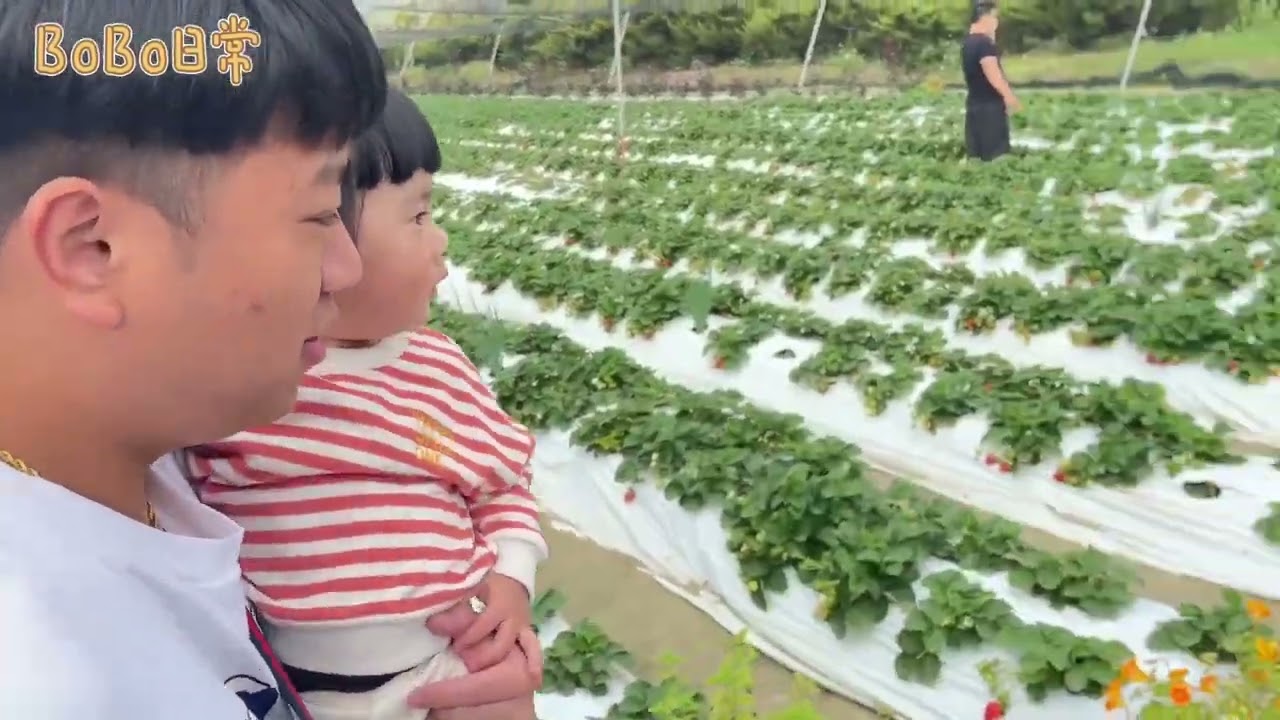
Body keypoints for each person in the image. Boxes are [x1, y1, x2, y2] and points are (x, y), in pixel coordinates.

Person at [0, 2, 532, 718]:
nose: (345, 270)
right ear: (92, 248)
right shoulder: (48, 681)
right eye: (319, 215)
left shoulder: (145, 455)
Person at [186, 89, 547, 720]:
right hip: (295, 687)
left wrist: (513, 579)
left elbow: (503, 483)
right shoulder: (249, 379)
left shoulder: (437, 365)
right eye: (417, 218)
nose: (440, 242)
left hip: (449, 663)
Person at [961, 1, 1021, 161]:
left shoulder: (967, 43)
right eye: (995, 18)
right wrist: (1009, 96)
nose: (997, 23)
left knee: (977, 155)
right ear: (985, 17)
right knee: (996, 155)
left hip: (974, 106)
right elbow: (992, 73)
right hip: (990, 108)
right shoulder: (984, 44)